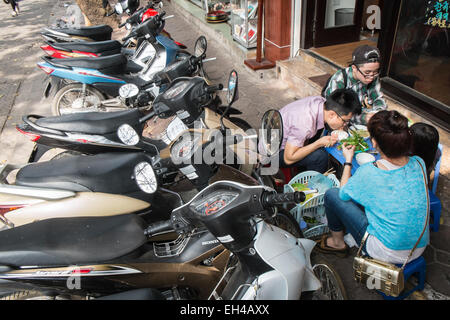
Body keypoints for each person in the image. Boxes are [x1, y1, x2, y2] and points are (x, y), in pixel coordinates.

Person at [316, 110, 429, 264]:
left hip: (386, 250)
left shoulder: (371, 171)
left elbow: (343, 194)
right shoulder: (419, 163)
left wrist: (348, 161)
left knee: (332, 195)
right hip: (419, 246)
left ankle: (337, 243)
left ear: (374, 142)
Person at [279, 89, 361, 173]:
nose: (345, 125)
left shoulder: (321, 103)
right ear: (332, 114)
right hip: (273, 154)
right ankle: (311, 184)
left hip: (281, 137)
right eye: (344, 121)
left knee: (321, 137)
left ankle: (303, 169)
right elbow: (288, 158)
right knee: (320, 156)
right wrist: (318, 143)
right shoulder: (305, 122)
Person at [322, 45, 387, 125]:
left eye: (375, 71)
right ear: (354, 68)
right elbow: (339, 114)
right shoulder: (339, 80)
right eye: (367, 72)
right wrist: (364, 118)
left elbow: (378, 98)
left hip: (362, 113)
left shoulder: (373, 76)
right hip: (341, 120)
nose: (371, 77)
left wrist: (378, 113)